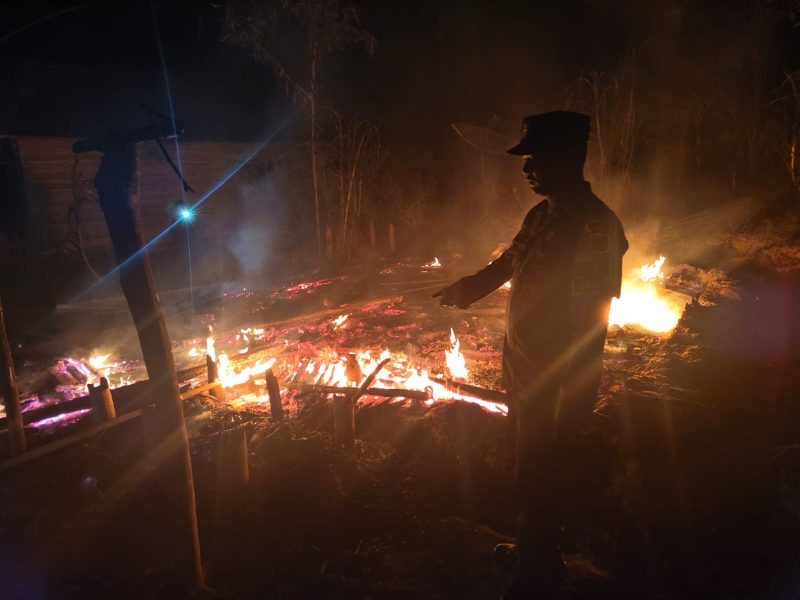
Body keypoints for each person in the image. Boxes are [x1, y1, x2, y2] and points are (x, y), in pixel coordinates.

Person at [434, 110, 628, 598]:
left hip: (557, 378)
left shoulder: (596, 227)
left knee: (544, 471)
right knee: (526, 466)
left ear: (566, 159)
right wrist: (470, 287)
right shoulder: (541, 215)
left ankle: (535, 576)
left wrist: (574, 392)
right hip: (525, 369)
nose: (525, 169)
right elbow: (511, 259)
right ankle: (535, 553)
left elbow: (593, 317)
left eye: (534, 158)